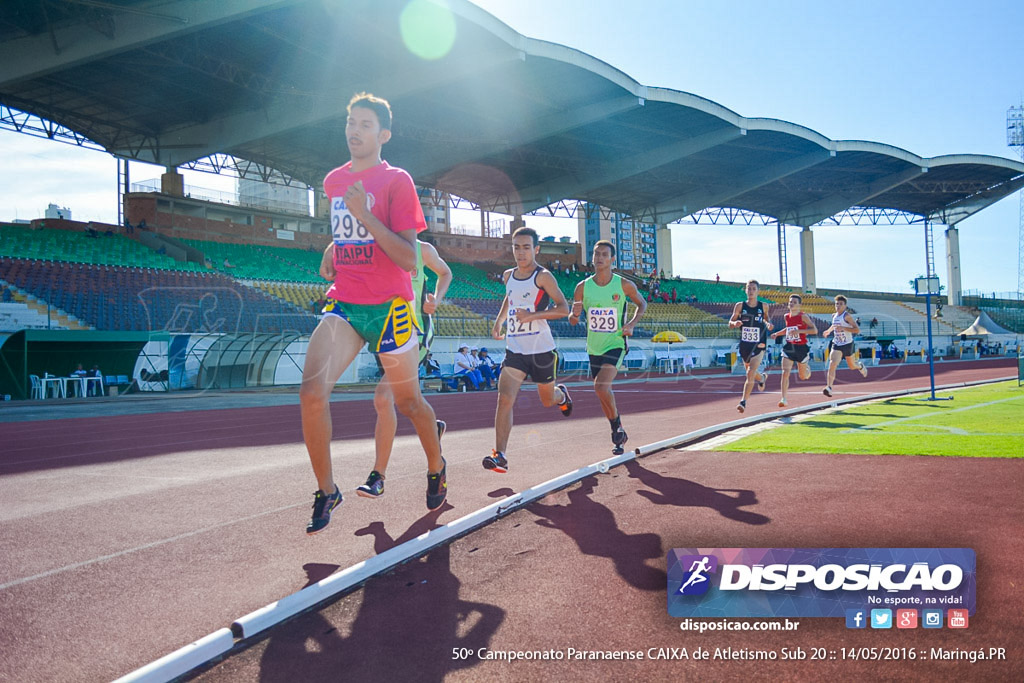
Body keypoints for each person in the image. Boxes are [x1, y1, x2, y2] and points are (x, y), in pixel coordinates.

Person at [300, 92, 446, 534]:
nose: (354, 131)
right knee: (310, 392)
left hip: (392, 310)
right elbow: (348, 234)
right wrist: (332, 246)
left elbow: (407, 259)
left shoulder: (397, 181)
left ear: (382, 134)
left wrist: (364, 214)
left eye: (365, 124)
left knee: (407, 402)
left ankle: (436, 463)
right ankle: (327, 490)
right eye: (350, 122)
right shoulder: (332, 182)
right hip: (345, 303)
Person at [354, 237, 452, 499]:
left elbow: (446, 272)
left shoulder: (423, 250)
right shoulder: (372, 244)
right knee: (410, 402)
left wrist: (436, 299)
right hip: (383, 332)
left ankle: (379, 476)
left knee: (383, 398)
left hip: (415, 332)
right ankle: (432, 429)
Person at [484, 226, 573, 473]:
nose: (521, 253)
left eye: (526, 247)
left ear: (536, 249)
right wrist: (499, 320)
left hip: (542, 349)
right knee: (504, 399)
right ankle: (500, 454)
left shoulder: (543, 277)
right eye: (516, 247)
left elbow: (563, 308)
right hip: (515, 350)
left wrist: (533, 315)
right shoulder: (507, 276)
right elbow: (510, 298)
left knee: (547, 400)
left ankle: (561, 395)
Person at [568, 240, 647, 455]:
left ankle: (616, 431)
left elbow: (642, 304)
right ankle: (618, 428)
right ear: (592, 258)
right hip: (594, 347)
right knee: (602, 392)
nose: (600, 258)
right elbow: (573, 320)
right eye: (596, 254)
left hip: (616, 343)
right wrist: (574, 314)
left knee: (601, 387)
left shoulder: (623, 285)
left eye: (604, 254)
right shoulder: (582, 287)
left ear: (613, 260)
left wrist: (631, 324)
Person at [728, 279, 772, 413]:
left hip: (759, 343)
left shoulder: (764, 306)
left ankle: (743, 401)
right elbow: (730, 322)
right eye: (749, 288)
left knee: (750, 373)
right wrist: (734, 324)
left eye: (754, 289)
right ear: (746, 290)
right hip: (745, 345)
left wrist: (769, 324)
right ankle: (762, 378)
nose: (751, 291)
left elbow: (766, 318)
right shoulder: (740, 306)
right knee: (750, 372)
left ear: (758, 291)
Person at [769, 294, 817, 407]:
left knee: (803, 376)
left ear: (799, 305)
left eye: (794, 302)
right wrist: (777, 334)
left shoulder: (803, 316)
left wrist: (799, 332)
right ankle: (784, 398)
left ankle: (807, 369)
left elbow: (814, 330)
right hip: (789, 346)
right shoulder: (787, 316)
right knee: (785, 373)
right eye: (790, 302)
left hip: (801, 348)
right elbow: (788, 329)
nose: (791, 304)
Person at [821, 294, 868, 397]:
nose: (838, 306)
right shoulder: (834, 315)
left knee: (852, 366)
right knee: (832, 363)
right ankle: (829, 387)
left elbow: (856, 330)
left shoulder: (847, 316)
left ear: (845, 306)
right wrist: (828, 331)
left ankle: (860, 366)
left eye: (840, 304)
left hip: (848, 344)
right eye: (836, 304)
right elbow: (834, 325)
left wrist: (843, 328)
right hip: (837, 344)